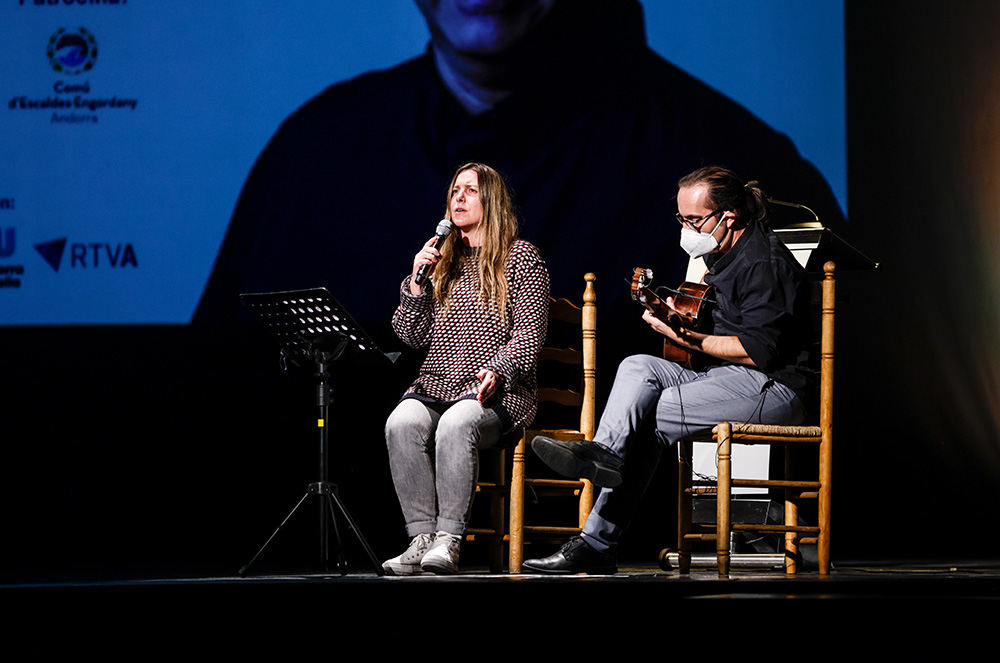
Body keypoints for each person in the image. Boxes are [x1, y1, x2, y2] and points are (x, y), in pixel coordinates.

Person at [523, 166, 814, 574]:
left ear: (728, 217)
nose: (687, 228)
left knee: (648, 416)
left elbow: (757, 352)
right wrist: (677, 322)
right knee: (637, 367)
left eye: (695, 220)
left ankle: (596, 540)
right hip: (724, 378)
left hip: (777, 389)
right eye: (682, 219)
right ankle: (604, 453)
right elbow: (718, 334)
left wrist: (687, 339)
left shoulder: (763, 262)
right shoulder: (720, 255)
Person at [381, 162, 549, 575]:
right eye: (455, 190)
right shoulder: (445, 260)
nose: (458, 198)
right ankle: (420, 538)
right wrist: (417, 284)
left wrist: (500, 368)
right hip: (437, 383)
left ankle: (449, 539)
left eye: (470, 191)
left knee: (457, 424)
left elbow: (530, 330)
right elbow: (410, 335)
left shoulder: (520, 256)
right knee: (401, 422)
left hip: (497, 390)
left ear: (490, 201)